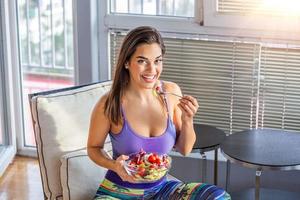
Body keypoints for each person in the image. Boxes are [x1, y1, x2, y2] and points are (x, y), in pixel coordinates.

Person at [87, 26, 231, 200]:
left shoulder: (171, 92)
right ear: (127, 62)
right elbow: (93, 148)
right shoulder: (110, 103)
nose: (152, 69)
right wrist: (114, 165)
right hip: (118, 192)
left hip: (161, 190)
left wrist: (188, 119)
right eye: (142, 61)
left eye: (157, 61)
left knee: (218, 197)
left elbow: (185, 149)